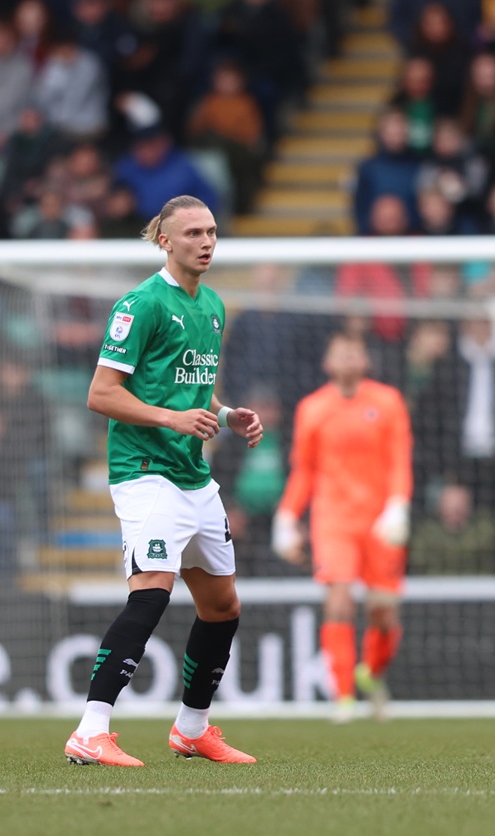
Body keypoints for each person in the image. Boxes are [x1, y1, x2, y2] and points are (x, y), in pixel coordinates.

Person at [63, 195, 264, 767]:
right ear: (165, 240)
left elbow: (190, 385)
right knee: (152, 591)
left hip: (193, 476)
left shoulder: (213, 305)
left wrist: (226, 414)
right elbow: (101, 394)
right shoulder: (141, 304)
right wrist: (172, 419)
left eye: (212, 231)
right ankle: (90, 730)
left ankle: (191, 729)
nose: (206, 242)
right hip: (145, 472)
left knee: (222, 606)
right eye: (193, 233)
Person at [271, 333, 413, 723]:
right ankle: (344, 695)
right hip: (333, 518)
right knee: (338, 599)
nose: (349, 357)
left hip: (380, 519)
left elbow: (399, 460)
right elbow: (304, 469)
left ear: (366, 361)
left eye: (355, 352)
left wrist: (398, 505)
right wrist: (287, 516)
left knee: (384, 612)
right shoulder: (312, 408)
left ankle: (372, 672)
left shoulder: (388, 401)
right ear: (327, 363)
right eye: (341, 352)